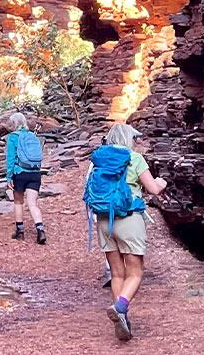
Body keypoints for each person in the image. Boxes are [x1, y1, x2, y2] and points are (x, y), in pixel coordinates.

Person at [83, 124, 167, 341]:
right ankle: (120, 307)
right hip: (128, 219)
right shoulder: (134, 158)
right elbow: (154, 189)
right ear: (129, 138)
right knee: (135, 273)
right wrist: (161, 181)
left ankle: (122, 319)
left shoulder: (98, 159)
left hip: (103, 220)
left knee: (117, 273)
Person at [2, 113, 46, 244]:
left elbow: (10, 158)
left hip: (19, 172)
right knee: (33, 204)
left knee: (18, 202)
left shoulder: (13, 137)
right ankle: (40, 230)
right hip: (34, 172)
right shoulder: (32, 136)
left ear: (14, 123)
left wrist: (9, 177)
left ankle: (20, 231)